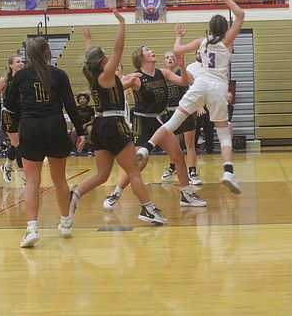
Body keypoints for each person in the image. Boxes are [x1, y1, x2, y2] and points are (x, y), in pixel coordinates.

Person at [137, 0, 245, 195]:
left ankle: (146, 148)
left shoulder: (201, 43)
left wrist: (177, 37)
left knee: (172, 123)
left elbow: (177, 51)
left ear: (209, 29)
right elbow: (240, 15)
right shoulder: (227, 41)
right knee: (223, 134)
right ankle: (228, 171)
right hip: (218, 88)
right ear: (224, 30)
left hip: (200, 84)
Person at [69, 12, 170, 225]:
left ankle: (73, 196)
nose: (110, 57)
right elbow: (118, 49)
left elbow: (91, 57)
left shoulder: (93, 74)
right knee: (134, 171)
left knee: (102, 175)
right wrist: (122, 23)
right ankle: (148, 210)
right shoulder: (106, 76)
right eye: (105, 56)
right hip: (113, 125)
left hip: (99, 126)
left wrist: (88, 41)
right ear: (102, 61)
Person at [4, 36, 85, 248]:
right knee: (59, 179)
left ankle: (32, 228)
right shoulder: (59, 75)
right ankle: (66, 222)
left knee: (32, 181)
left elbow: (9, 106)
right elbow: (71, 106)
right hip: (55, 126)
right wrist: (81, 130)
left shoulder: (20, 76)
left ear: (28, 56)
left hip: (30, 127)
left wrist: (14, 128)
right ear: (48, 52)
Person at [101, 41, 193, 211]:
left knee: (178, 156)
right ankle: (116, 193)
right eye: (148, 50)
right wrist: (120, 79)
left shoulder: (162, 73)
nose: (152, 51)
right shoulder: (136, 78)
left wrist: (182, 65)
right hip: (142, 121)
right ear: (141, 58)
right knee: (138, 164)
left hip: (159, 120)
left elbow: (183, 82)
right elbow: (113, 91)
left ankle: (187, 194)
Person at [160, 51, 203, 185]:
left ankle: (192, 172)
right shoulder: (162, 76)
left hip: (185, 111)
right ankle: (172, 168)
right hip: (170, 112)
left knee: (189, 143)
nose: (170, 59)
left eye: (172, 57)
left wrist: (199, 104)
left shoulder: (182, 73)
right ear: (165, 61)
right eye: (167, 58)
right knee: (174, 145)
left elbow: (196, 86)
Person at [0, 55, 26, 184]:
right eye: (18, 62)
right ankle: (24, 175)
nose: (21, 63)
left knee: (17, 144)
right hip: (9, 114)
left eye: (22, 61)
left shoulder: (26, 79)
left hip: (22, 114)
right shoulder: (4, 80)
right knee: (20, 144)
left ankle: (7, 166)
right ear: (11, 65)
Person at [70, 92, 95, 156]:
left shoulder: (91, 109)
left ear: (87, 100)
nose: (82, 100)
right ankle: (74, 148)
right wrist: (79, 125)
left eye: (84, 98)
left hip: (87, 125)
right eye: (80, 99)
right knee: (73, 130)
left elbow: (92, 120)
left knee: (90, 129)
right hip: (78, 125)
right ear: (78, 100)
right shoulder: (76, 109)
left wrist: (85, 124)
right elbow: (74, 119)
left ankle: (90, 147)